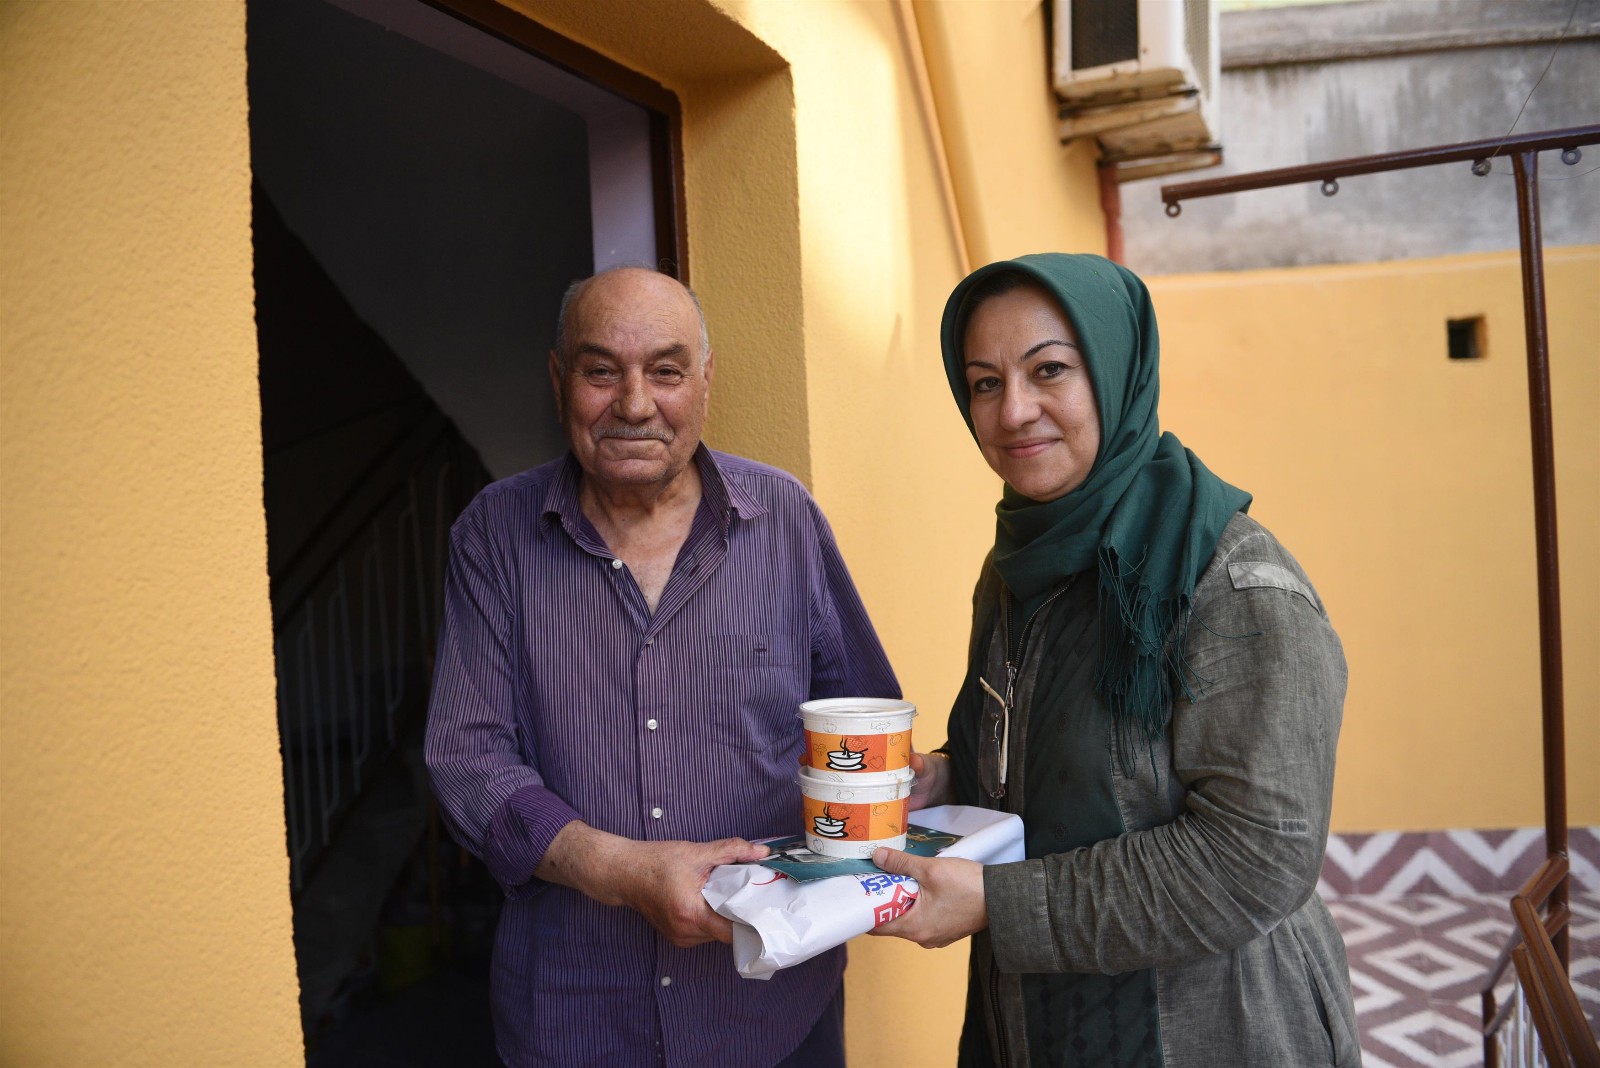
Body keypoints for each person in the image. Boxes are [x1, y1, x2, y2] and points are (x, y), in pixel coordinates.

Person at [872, 254, 1360, 1067]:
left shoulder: (1230, 582)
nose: (1013, 411)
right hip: (1036, 1024)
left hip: (1210, 1029)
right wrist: (948, 781)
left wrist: (1002, 905)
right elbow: (1057, 757)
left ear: (1116, 368)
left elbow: (1255, 858)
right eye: (985, 383)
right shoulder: (1017, 567)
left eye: (1049, 370)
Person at [425, 266, 899, 1067]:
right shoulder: (494, 535)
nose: (636, 404)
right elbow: (468, 760)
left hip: (773, 1010)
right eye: (601, 371)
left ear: (706, 380)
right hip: (575, 1019)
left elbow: (863, 726)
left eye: (667, 371)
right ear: (558, 379)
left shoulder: (785, 519)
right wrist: (622, 869)